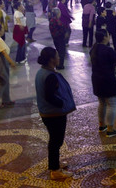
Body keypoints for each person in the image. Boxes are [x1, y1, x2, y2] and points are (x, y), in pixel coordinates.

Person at [35, 47, 76, 180]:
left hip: (47, 113)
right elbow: (49, 96)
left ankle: (54, 164)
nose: (59, 58)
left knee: (55, 140)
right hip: (54, 114)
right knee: (56, 141)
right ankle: (55, 170)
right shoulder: (50, 76)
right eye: (57, 56)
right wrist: (62, 103)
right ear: (52, 59)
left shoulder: (41, 72)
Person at [0, 24, 17, 108]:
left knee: (4, 81)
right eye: (2, 29)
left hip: (0, 61)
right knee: (3, 82)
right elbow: (4, 52)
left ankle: (6, 100)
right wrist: (11, 62)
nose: (3, 30)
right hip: (0, 62)